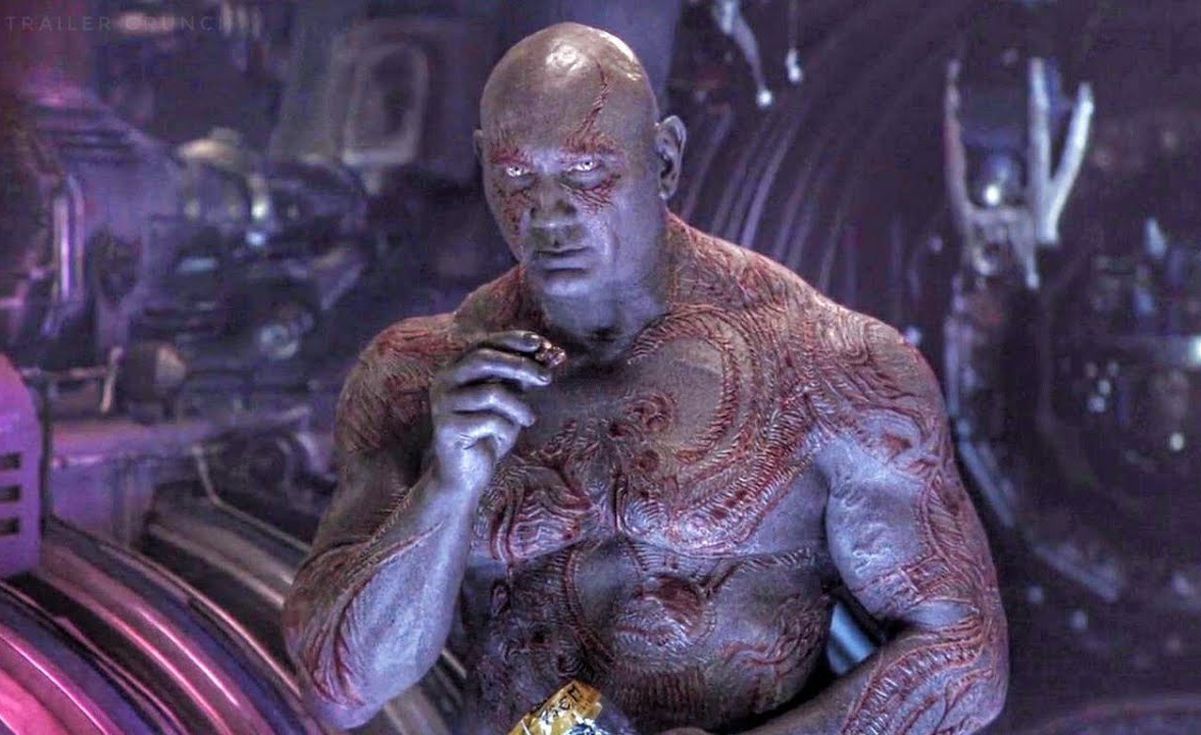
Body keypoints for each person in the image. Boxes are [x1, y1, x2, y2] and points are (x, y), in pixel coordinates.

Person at [283, 22, 1008, 735]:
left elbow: (966, 656)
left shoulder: (826, 364)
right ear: (482, 164)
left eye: (586, 172)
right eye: (517, 176)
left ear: (664, 159)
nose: (548, 215)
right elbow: (341, 690)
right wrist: (447, 486)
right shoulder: (417, 374)